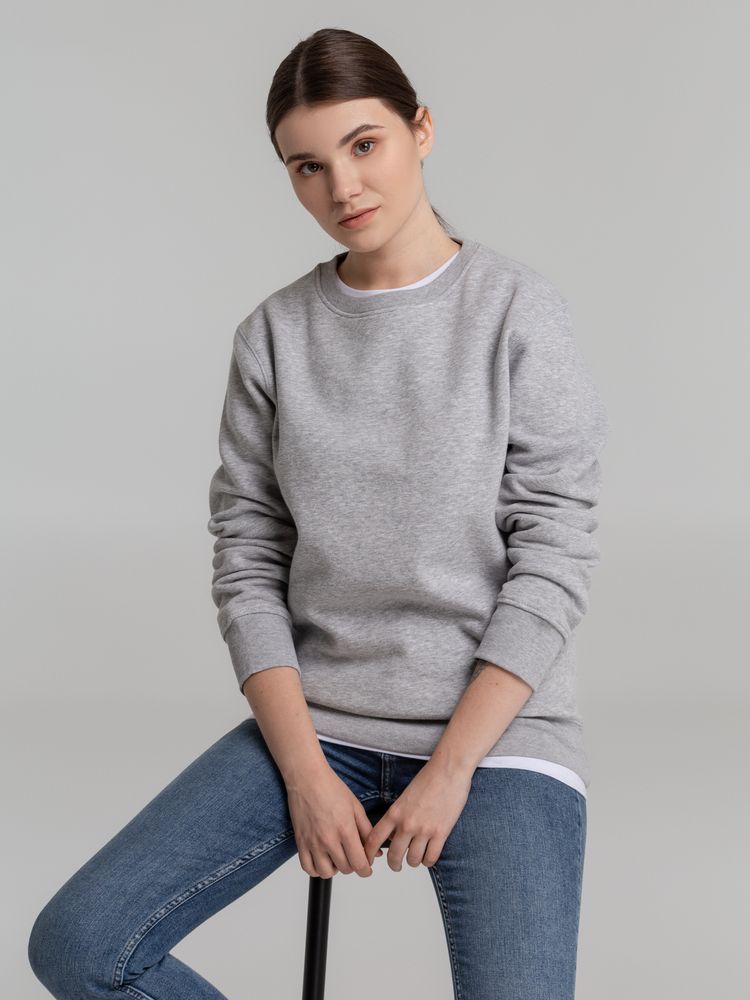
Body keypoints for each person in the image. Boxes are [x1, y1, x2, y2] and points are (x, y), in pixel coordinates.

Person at [27, 27, 608, 1000]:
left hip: (498, 740)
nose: (343, 186)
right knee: (83, 942)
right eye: (308, 165)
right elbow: (248, 561)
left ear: (422, 130)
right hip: (319, 724)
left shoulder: (518, 313)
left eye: (364, 144)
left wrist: (451, 770)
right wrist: (303, 772)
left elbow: (553, 556)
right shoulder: (274, 336)